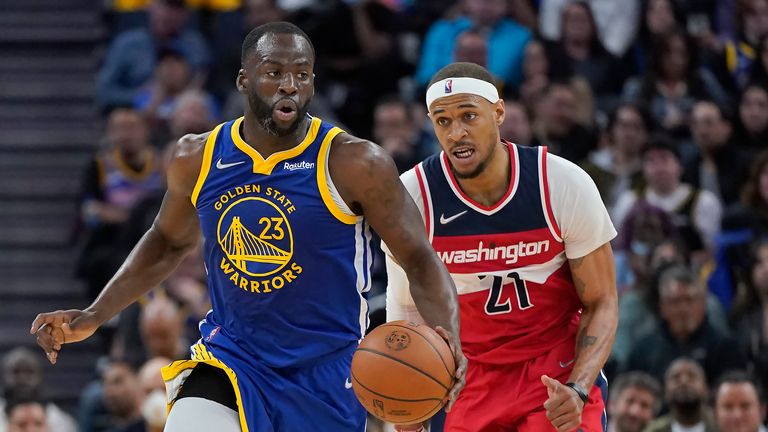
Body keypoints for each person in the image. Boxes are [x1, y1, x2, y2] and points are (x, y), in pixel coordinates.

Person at [31, 22, 465, 432]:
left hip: (327, 371)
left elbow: (418, 257)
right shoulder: (197, 157)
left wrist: (448, 337)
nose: (290, 85)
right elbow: (165, 242)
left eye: (302, 74)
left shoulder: (355, 163)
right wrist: (94, 314)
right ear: (243, 80)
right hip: (233, 357)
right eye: (274, 72)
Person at [386, 62, 618, 431]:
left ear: (499, 113)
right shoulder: (412, 196)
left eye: (468, 116)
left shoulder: (561, 182)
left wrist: (578, 387)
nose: (456, 132)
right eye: (442, 121)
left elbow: (602, 300)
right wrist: (407, 407)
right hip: (470, 374)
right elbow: (407, 307)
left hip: (553, 368)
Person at [643, 358, 718, 432]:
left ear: (706, 389)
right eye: (676, 377)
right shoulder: (653, 430)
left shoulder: (723, 427)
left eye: (691, 376)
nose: (684, 381)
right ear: (665, 390)